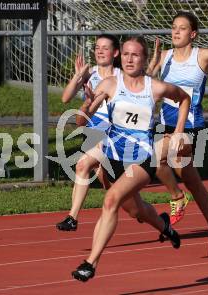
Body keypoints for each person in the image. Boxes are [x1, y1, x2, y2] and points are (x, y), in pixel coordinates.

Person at [71, 36, 191, 282]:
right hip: (113, 158)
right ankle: (165, 227)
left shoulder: (155, 87)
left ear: (145, 59)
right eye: (125, 53)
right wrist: (86, 102)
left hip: (143, 158)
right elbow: (81, 122)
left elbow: (184, 99)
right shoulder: (109, 84)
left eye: (135, 54)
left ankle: (90, 263)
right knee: (138, 211)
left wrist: (179, 132)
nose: (129, 58)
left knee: (110, 200)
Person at [147, 11, 208, 256]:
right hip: (168, 125)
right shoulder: (165, 56)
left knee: (158, 157)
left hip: (191, 128)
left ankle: (177, 197)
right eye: (173, 27)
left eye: (181, 28)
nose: (175, 32)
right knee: (193, 181)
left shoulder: (204, 55)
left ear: (193, 34)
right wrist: (152, 65)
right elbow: (145, 84)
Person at [56, 34, 121, 231]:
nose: (100, 51)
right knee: (112, 190)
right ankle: (155, 220)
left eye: (105, 47)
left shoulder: (121, 76)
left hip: (112, 134)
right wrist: (78, 76)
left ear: (115, 52)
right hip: (91, 134)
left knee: (81, 166)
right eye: (97, 48)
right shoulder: (88, 73)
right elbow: (65, 99)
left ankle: (72, 218)